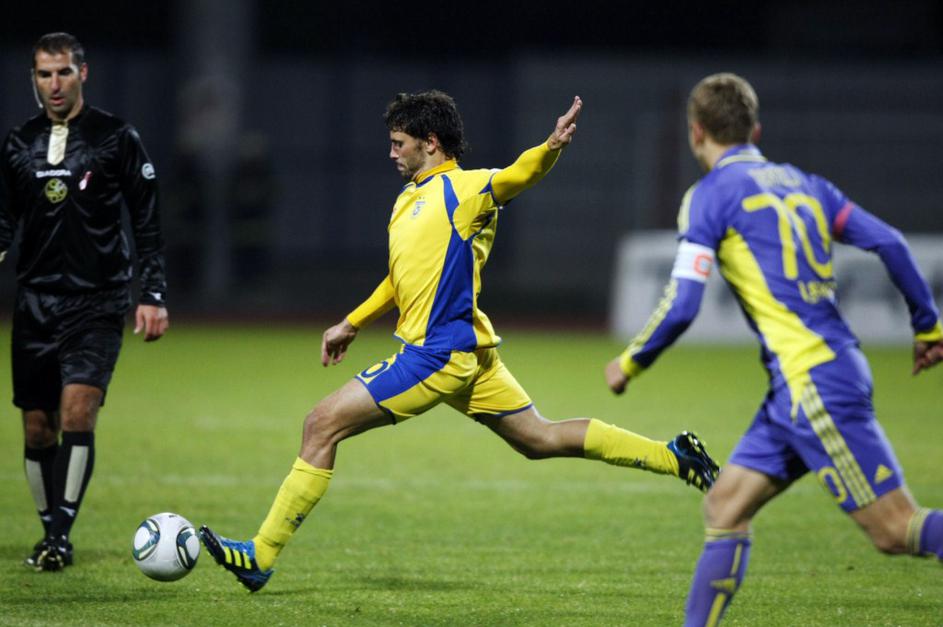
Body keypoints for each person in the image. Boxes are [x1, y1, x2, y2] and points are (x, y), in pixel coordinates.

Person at [199, 90, 719, 592]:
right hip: (468, 353)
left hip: (437, 355)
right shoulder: (409, 199)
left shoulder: (465, 190)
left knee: (321, 423)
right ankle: (676, 456)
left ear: (430, 142)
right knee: (539, 439)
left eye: (399, 143)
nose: (391, 153)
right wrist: (352, 322)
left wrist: (550, 147)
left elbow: (518, 175)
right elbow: (399, 279)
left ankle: (261, 555)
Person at [605, 73, 943, 626]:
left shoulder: (709, 196)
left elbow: (683, 304)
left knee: (895, 529)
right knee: (724, 506)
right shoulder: (807, 185)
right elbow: (890, 242)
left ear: (696, 133)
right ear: (754, 131)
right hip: (804, 383)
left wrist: (630, 361)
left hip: (813, 383)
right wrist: (927, 325)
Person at [0, 32, 169, 572]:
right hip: (35, 303)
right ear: (34, 78)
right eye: (44, 74)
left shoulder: (115, 137)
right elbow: (4, 219)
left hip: (97, 301)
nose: (54, 84)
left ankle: (59, 536)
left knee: (78, 411)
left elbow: (146, 218)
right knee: (37, 427)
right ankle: (48, 528)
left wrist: (153, 293)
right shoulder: (19, 142)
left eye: (63, 72)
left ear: (83, 74)